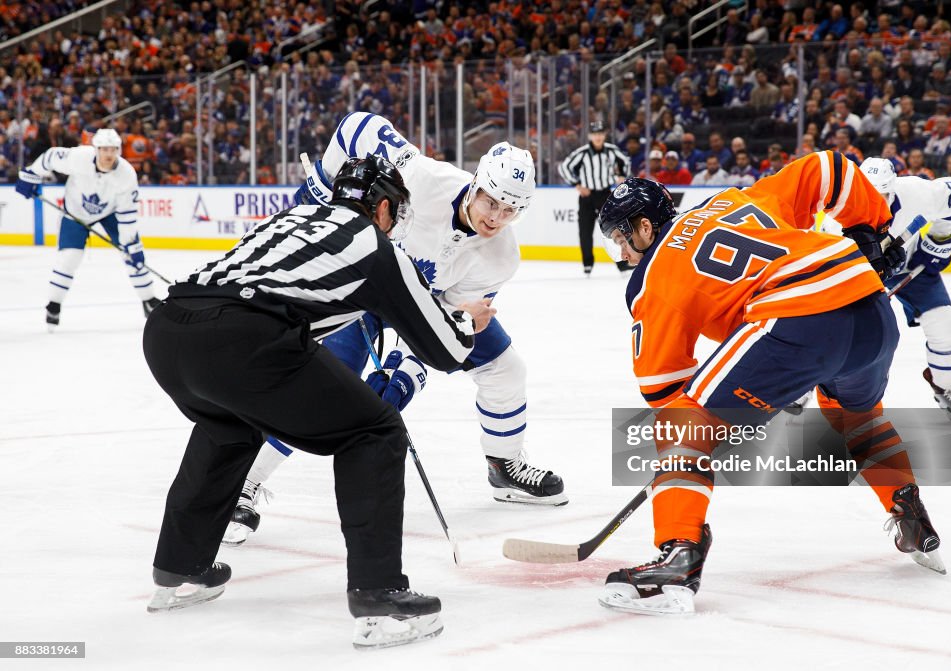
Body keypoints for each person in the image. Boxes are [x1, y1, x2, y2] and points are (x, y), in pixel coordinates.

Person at [142, 156, 494, 649]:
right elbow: (446, 350)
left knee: (230, 426)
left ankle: (179, 567)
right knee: (374, 430)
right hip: (242, 338)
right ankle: (379, 596)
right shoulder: (371, 244)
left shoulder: (292, 217)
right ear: (384, 206)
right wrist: (468, 323)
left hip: (167, 329)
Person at [595, 151, 943, 616]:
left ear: (643, 227)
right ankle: (910, 515)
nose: (622, 253)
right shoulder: (732, 199)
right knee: (857, 416)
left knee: (682, 426)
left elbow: (663, 390)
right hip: (873, 312)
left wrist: (702, 450)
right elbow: (828, 168)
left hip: (798, 320)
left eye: (622, 238)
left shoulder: (651, 279)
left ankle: (678, 554)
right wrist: (869, 231)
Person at [223, 113, 567, 545]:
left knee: (505, 368)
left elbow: (444, 326)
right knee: (321, 384)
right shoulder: (422, 178)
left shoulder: (501, 256)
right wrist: (317, 190)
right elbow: (357, 126)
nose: (496, 217)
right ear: (475, 183)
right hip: (362, 285)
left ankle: (504, 465)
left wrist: (403, 375)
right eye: (491, 201)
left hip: (420, 307)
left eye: (510, 210)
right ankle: (244, 484)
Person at [860, 157, 951, 423]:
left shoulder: (916, 192)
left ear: (891, 189)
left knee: (945, 325)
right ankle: (804, 386)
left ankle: (945, 386)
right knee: (841, 334)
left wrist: (938, 244)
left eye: (880, 195)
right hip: (859, 277)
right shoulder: (837, 216)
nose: (873, 202)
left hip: (909, 268)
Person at [15, 128, 158, 330]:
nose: (109, 154)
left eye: (113, 149)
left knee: (132, 255)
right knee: (69, 258)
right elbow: (50, 158)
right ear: (96, 149)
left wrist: (130, 244)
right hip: (75, 212)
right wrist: (31, 174)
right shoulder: (79, 157)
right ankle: (54, 305)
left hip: (110, 213)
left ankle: (148, 300)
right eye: (105, 149)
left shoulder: (126, 174)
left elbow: (127, 215)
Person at [558, 120, 632, 276]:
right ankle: (587, 264)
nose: (598, 137)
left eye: (600, 134)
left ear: (604, 135)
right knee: (585, 230)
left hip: (605, 195)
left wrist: (621, 176)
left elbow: (625, 161)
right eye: (595, 134)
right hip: (587, 196)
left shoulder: (612, 150)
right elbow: (564, 167)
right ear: (590, 135)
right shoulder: (582, 153)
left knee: (614, 229)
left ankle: (622, 264)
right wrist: (577, 184)